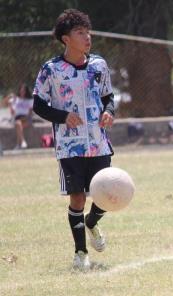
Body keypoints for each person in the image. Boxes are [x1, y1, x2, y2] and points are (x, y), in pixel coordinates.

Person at [32, 9, 115, 271]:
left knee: (106, 195)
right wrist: (63, 115)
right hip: (69, 146)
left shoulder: (99, 65)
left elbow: (108, 97)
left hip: (98, 143)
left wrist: (108, 112)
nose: (87, 36)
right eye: (80, 33)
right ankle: (80, 252)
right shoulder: (51, 70)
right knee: (77, 198)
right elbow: (38, 104)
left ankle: (92, 222)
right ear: (66, 39)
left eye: (87, 31)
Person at [7, 83, 34, 149]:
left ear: (26, 91)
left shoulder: (30, 100)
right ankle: (23, 141)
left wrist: (25, 118)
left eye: (23, 91)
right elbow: (13, 113)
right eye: (21, 91)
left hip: (26, 118)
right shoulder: (16, 99)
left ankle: (18, 145)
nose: (22, 92)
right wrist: (10, 104)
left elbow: (30, 113)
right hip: (17, 118)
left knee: (18, 125)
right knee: (18, 123)